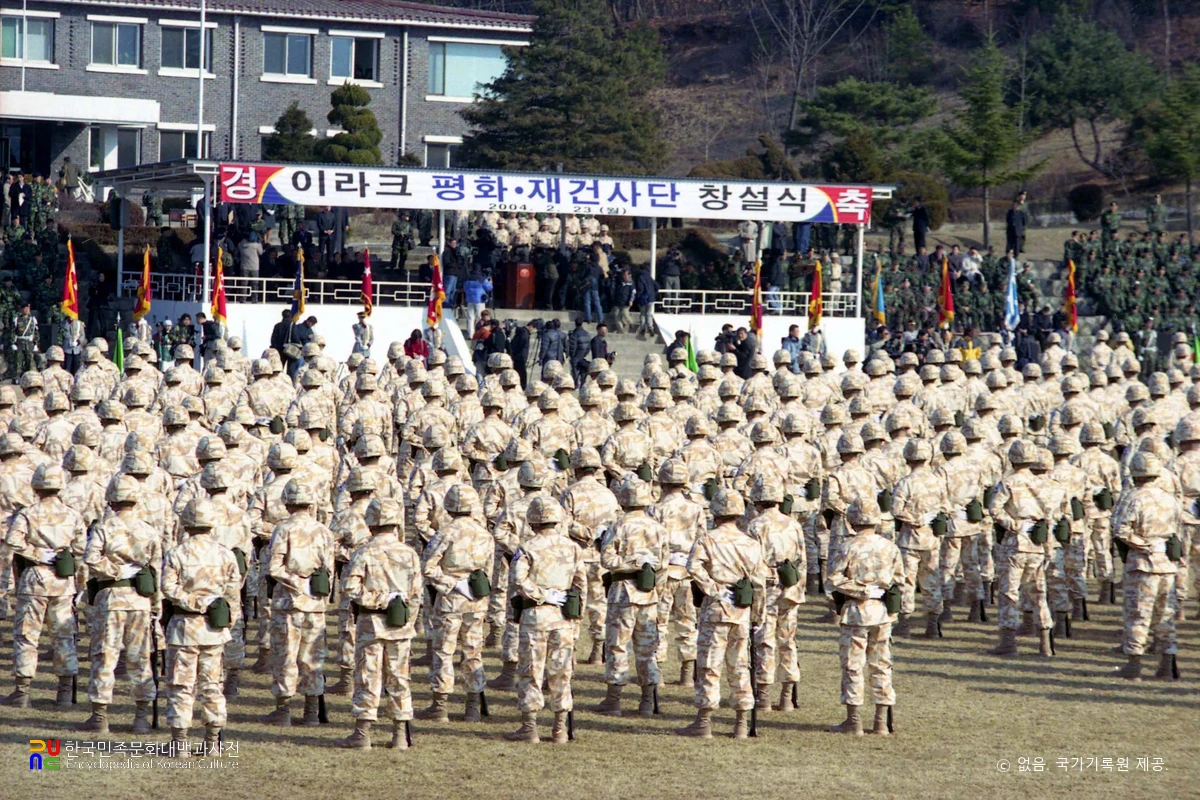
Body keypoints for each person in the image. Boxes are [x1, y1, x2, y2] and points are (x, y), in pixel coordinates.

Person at [676, 488, 765, 739]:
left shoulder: (707, 539)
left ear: (715, 512)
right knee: (740, 665)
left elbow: (693, 566)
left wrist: (714, 590)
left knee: (710, 664)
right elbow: (760, 582)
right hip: (742, 609)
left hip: (717, 608)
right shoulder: (751, 543)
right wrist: (758, 614)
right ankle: (740, 722)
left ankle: (704, 721)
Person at [79, 475, 163, 734]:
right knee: (139, 658)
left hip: (111, 598)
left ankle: (100, 716)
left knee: (106, 655)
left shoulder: (104, 527)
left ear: (111, 499)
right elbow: (157, 570)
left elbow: (90, 558)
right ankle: (140, 717)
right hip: (140, 600)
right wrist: (155, 605)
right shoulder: (149, 530)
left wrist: (114, 571)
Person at [338, 498, 422, 750]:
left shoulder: (364, 552)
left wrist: (379, 601)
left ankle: (362, 733)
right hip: (400, 625)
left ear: (371, 523)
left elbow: (350, 588)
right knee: (399, 677)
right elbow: (416, 595)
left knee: (368, 676)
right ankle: (399, 734)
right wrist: (407, 618)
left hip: (370, 625)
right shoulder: (409, 553)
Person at [1, 464, 86, 709]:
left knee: (27, 636)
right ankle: (64, 692)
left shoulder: (28, 513)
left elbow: (13, 540)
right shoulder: (72, 514)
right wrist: (73, 574)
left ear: (36, 486)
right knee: (64, 635)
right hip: (62, 580)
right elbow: (80, 549)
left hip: (34, 580)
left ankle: (22, 691)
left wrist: (37, 553)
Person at [162, 499, 241, 755]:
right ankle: (212, 742)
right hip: (215, 630)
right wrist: (223, 616)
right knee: (212, 685)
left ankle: (180, 743)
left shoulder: (176, 553)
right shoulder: (225, 554)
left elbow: (168, 587)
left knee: (181, 685)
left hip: (184, 627)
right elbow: (233, 594)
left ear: (186, 523)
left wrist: (193, 601)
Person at [505, 496, 586, 744]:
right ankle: (559, 728)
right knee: (561, 671)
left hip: (536, 615)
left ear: (532, 521)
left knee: (531, 669)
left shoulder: (528, 547)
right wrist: (576, 618)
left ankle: (530, 727)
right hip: (563, 616)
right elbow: (581, 584)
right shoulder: (572, 547)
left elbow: (518, 580)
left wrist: (540, 594)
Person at [260, 480, 336, 728]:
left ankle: (283, 710)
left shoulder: (282, 530)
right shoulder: (323, 531)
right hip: (315, 603)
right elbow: (329, 571)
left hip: (288, 603)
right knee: (313, 656)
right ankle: (311, 711)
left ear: (287, 502)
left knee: (285, 656)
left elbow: (274, 568)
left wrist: (294, 582)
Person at [825, 498, 904, 736]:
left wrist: (860, 590)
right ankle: (881, 720)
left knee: (853, 665)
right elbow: (901, 581)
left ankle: (854, 720)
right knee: (882, 665)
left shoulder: (847, 547)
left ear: (851, 520)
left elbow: (833, 579)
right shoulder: (890, 546)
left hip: (856, 613)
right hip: (882, 613)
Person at [595, 479, 669, 718]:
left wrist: (630, 564)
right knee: (647, 648)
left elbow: (607, 560)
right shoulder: (658, 528)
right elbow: (664, 565)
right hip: (650, 594)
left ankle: (614, 700)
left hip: (623, 593)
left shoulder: (619, 526)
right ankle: (647, 701)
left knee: (617, 645)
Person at [1111, 453, 1182, 681]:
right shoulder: (1169, 499)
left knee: (1138, 614)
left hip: (1143, 564)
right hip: (1168, 564)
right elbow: (1177, 530)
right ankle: (1167, 664)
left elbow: (1120, 529)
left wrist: (1142, 544)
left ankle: (1134, 665)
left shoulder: (1134, 497)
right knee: (1165, 615)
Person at [463, 269, 491, 335]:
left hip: (469, 299)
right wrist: (490, 283)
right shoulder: (482, 278)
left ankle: (470, 334)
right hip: (479, 300)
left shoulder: (467, 278)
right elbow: (489, 288)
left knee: (470, 317)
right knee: (480, 317)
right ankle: (479, 333)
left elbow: (464, 288)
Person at [634, 266, 658, 340]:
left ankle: (643, 328)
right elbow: (657, 286)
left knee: (643, 314)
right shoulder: (650, 277)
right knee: (649, 313)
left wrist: (637, 296)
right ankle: (650, 327)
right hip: (651, 298)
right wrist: (654, 293)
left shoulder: (640, 277)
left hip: (643, 298)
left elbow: (640, 288)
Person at [510, 321, 534, 388]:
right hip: (520, 357)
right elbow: (522, 344)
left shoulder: (521, 332)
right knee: (522, 374)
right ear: (531, 326)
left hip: (517, 356)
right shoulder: (524, 333)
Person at [613, 268, 635, 334]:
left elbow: (633, 293)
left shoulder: (631, 284)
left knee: (625, 313)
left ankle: (630, 323)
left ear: (629, 275)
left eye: (625, 275)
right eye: (623, 275)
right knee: (617, 316)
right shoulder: (619, 282)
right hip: (618, 301)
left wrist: (631, 300)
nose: (624, 276)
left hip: (626, 302)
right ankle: (620, 329)